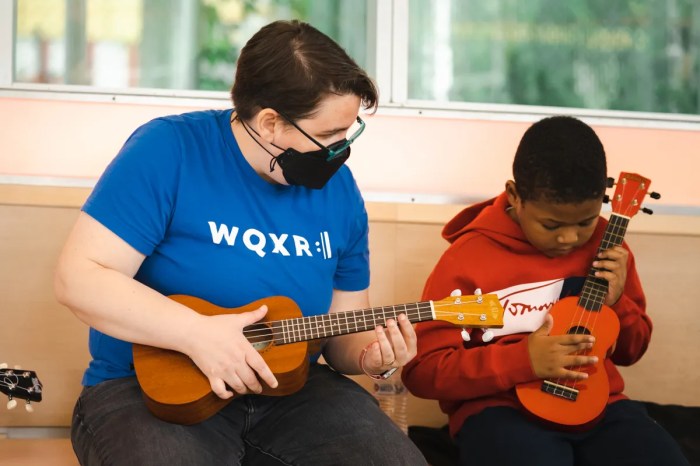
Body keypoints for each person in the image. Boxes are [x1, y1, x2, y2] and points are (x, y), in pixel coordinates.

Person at [55, 19, 426, 466]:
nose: (340, 149)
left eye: (348, 132)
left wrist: (372, 356)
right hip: (151, 392)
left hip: (293, 393)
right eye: (327, 136)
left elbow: (340, 332)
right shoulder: (169, 150)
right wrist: (195, 334)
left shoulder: (341, 192)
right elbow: (80, 278)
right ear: (270, 122)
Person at [401, 116, 689, 466]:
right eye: (551, 225)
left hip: (601, 407)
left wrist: (620, 303)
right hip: (498, 410)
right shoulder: (468, 257)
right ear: (514, 196)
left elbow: (632, 350)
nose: (569, 238)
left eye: (584, 222)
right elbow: (423, 372)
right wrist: (525, 360)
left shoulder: (608, 245)